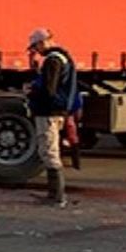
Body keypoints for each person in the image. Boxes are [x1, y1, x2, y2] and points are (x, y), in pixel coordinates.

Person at [26, 27, 77, 207]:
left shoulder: (52, 61)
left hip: (49, 112)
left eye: (35, 47)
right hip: (57, 111)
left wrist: (32, 92)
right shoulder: (62, 58)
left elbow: (49, 90)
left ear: (43, 42)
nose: (35, 51)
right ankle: (54, 195)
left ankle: (56, 196)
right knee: (50, 150)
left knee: (49, 152)